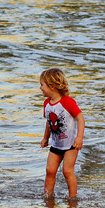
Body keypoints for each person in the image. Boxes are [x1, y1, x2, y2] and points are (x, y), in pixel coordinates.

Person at [39, 68, 86, 198]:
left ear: (52, 86)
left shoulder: (67, 102)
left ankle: (72, 198)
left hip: (71, 144)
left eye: (42, 84)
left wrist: (79, 138)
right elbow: (49, 122)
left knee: (67, 171)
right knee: (50, 170)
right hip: (56, 145)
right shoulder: (47, 104)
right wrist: (45, 138)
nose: (40, 88)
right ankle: (47, 197)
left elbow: (80, 118)